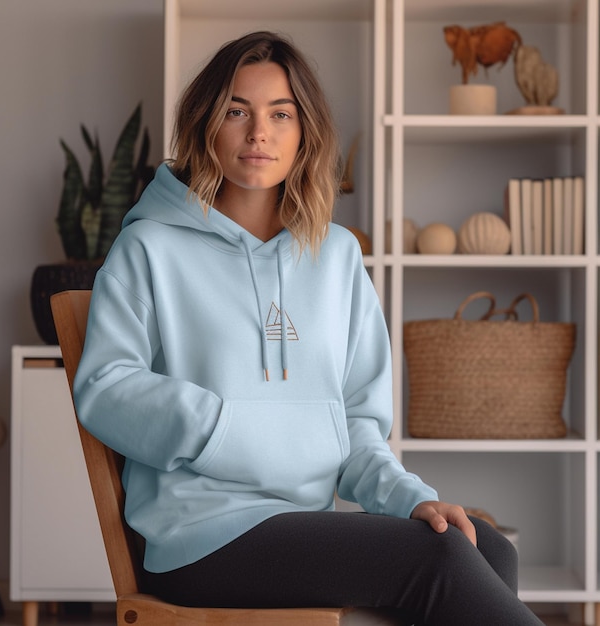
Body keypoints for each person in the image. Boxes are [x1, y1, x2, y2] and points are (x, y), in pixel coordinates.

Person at [73, 31, 545, 625]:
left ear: (305, 133)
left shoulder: (338, 257)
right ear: (205, 124)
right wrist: (221, 427)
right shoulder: (149, 247)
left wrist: (413, 499)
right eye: (236, 111)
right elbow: (106, 388)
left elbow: (358, 427)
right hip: (201, 533)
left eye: (281, 114)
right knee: (444, 560)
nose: (258, 133)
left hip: (300, 526)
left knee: (484, 545)